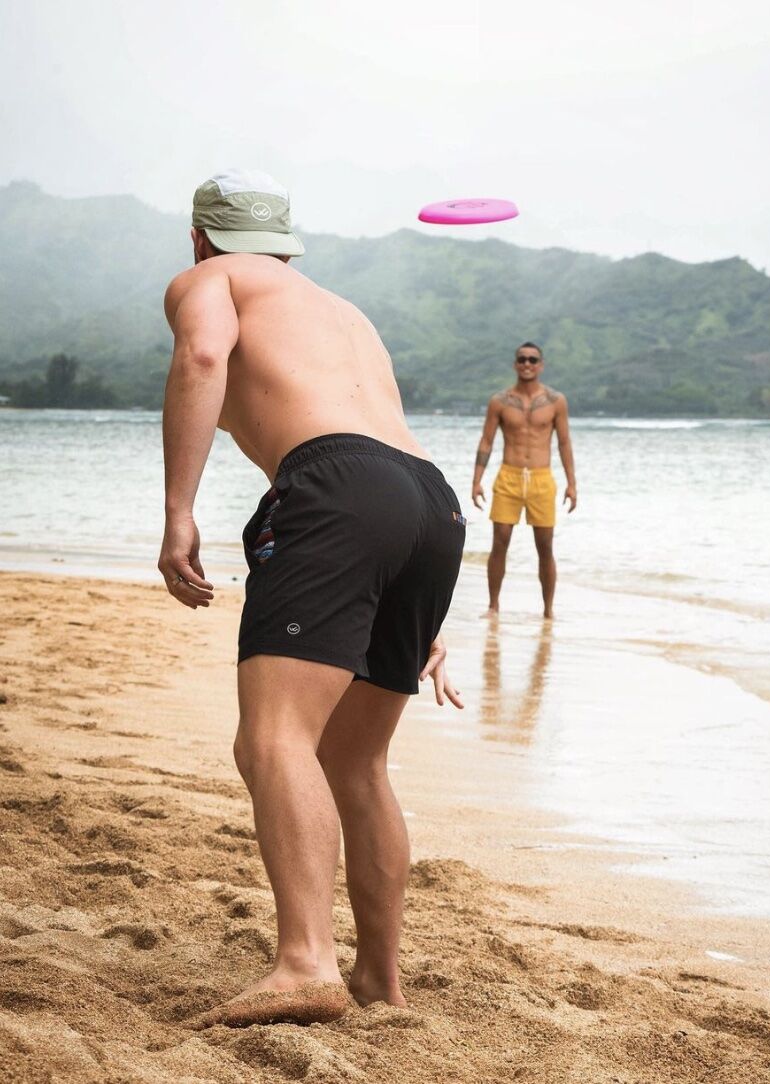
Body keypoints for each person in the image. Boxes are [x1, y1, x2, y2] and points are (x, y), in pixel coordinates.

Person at [157, 169, 465, 1027]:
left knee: (273, 739)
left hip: (337, 492)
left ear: (199, 238)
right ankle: (378, 980)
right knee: (354, 762)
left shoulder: (209, 280)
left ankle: (304, 961)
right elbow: (386, 455)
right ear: (287, 245)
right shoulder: (344, 313)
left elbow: (204, 356)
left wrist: (179, 512)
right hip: (428, 504)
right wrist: (415, 609)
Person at [471, 343, 577, 618]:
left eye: (533, 359)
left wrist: (571, 484)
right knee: (500, 540)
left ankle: (548, 611)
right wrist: (477, 481)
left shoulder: (555, 401)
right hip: (509, 476)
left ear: (541, 364)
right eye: (522, 359)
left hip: (542, 478)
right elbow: (487, 440)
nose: (527, 364)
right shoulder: (500, 401)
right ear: (515, 364)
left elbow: (564, 443)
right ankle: (493, 606)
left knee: (545, 545)